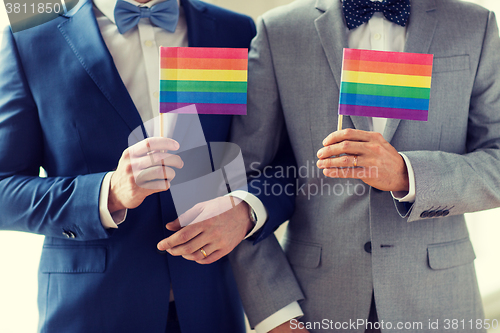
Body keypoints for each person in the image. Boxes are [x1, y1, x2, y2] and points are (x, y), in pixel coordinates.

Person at [0, 0, 291, 332]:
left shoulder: (235, 30)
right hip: (91, 312)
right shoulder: (30, 34)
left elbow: (279, 161)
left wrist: (245, 211)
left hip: (211, 306)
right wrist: (107, 192)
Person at [223, 0, 500, 332]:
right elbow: (242, 177)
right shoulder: (278, 30)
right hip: (315, 306)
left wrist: (405, 173)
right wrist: (275, 314)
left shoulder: (475, 24)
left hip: (439, 303)